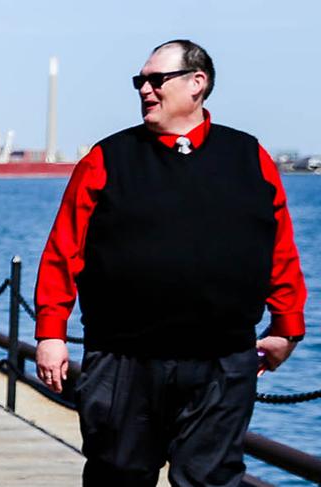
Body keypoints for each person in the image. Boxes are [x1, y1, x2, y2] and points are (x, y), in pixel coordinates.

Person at [34, 40, 307, 487]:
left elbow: (279, 248)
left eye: (156, 80)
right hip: (123, 360)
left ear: (197, 82)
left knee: (210, 480)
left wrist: (286, 326)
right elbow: (63, 250)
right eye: (140, 81)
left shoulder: (249, 156)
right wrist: (50, 333)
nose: (145, 89)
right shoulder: (106, 158)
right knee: (117, 477)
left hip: (222, 361)